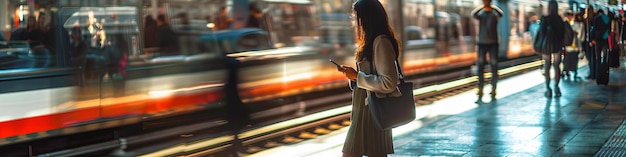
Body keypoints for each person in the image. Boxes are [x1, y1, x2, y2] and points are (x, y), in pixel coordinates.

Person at [335, 0, 400, 156]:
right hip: (364, 107)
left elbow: (388, 82)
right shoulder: (371, 42)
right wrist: (353, 77)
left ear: (367, 18)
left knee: (354, 153)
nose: (354, 22)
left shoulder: (381, 42)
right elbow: (369, 76)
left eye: (356, 17)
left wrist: (357, 76)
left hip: (373, 110)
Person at [470, 0, 503, 102]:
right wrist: (482, 7)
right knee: (480, 66)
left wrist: (493, 7)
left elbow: (501, 14)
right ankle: (480, 89)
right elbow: (473, 15)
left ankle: (493, 89)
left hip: (493, 43)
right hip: (482, 43)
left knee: (494, 66)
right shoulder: (481, 14)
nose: (486, 2)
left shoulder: (494, 14)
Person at [538, 0, 565, 97]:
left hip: (546, 46)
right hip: (557, 46)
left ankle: (548, 88)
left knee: (547, 66)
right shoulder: (559, 19)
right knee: (557, 66)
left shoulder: (545, 19)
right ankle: (557, 87)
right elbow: (562, 34)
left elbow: (541, 32)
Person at [590, 9, 610, 80]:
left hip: (597, 40)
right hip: (605, 39)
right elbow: (609, 30)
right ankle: (604, 74)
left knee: (597, 57)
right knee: (605, 58)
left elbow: (594, 29)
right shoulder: (608, 18)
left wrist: (592, 39)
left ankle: (597, 75)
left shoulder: (596, 18)